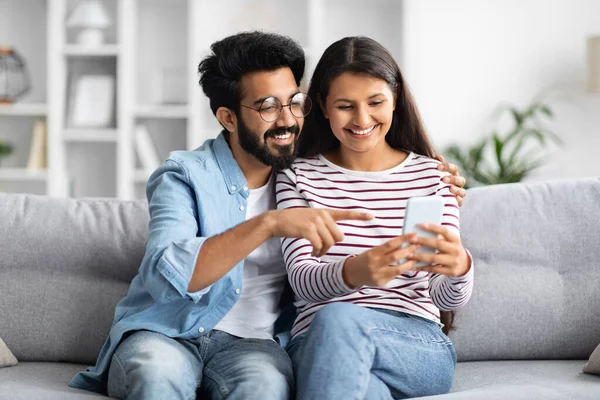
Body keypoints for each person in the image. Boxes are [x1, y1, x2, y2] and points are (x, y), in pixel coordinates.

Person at [69, 32, 467, 400]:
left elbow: (443, 291)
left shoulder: (313, 170)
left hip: (279, 344)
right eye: (267, 107)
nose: (288, 119)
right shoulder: (202, 175)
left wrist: (458, 264)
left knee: (277, 378)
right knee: (158, 375)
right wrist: (274, 227)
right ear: (228, 118)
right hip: (177, 332)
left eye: (294, 102)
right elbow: (171, 273)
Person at [276, 36, 475, 400]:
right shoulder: (297, 177)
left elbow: (445, 297)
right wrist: (358, 271)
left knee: (339, 320)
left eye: (376, 102)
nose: (362, 119)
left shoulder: (433, 177)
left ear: (395, 98)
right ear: (321, 105)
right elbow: (302, 280)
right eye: (345, 106)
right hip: (317, 343)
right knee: (362, 385)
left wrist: (460, 267)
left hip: (415, 345)